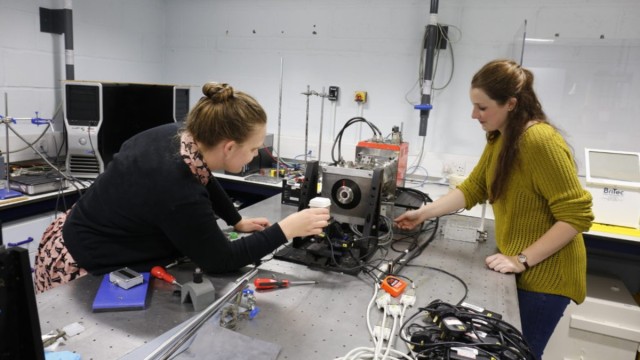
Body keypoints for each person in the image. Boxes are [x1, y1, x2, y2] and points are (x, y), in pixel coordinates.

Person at [34, 82, 330, 293]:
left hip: (74, 231)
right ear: (228, 147)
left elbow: (206, 178)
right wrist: (286, 229)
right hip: (78, 262)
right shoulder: (176, 186)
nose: (257, 154)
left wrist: (235, 220)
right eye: (254, 148)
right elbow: (220, 260)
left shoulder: (179, 136)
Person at [394, 59, 593, 359]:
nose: (474, 115)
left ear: (511, 103)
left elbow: (576, 217)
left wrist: (521, 260)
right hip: (524, 270)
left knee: (520, 355)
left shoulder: (539, 141)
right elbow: (474, 188)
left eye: (482, 107)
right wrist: (423, 213)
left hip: (547, 278)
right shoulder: (501, 137)